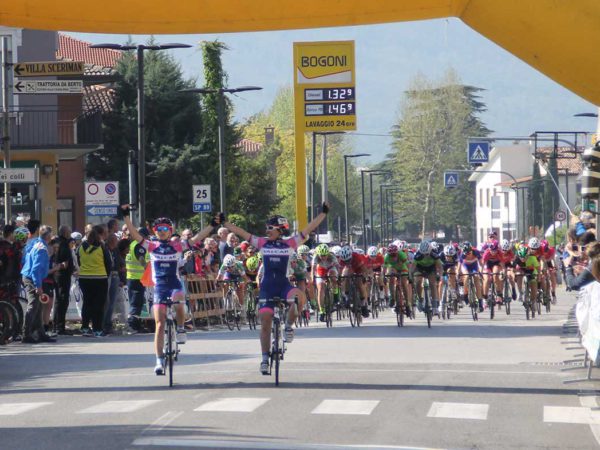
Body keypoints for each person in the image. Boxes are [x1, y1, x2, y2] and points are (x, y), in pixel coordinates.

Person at [221, 203, 329, 375]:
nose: (267, 230)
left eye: (270, 228)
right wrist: (225, 223)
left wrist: (323, 213)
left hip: (283, 285)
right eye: (266, 228)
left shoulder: (290, 243)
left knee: (298, 297)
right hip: (267, 287)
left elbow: (308, 229)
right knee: (265, 321)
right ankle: (264, 359)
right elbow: (242, 232)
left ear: (280, 229)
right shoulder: (262, 243)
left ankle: (288, 326)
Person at [121, 205, 215, 375]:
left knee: (179, 301)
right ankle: (159, 360)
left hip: (174, 284)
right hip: (159, 287)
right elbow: (134, 234)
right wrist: (126, 216)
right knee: (159, 324)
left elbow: (198, 237)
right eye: (159, 229)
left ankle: (181, 328)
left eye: (165, 229)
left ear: (170, 231)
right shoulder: (151, 245)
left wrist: (212, 225)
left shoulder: (178, 245)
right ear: (154, 231)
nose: (162, 232)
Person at [21, 224, 55, 343]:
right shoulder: (42, 249)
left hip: (30, 276)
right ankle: (26, 334)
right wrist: (38, 286)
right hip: (32, 278)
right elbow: (36, 270)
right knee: (33, 306)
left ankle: (40, 333)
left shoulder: (35, 243)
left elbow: (25, 259)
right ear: (48, 236)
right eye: (51, 234)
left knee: (38, 306)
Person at [53, 225, 74, 335]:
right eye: (69, 232)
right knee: (62, 300)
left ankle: (56, 325)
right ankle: (60, 327)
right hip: (63, 276)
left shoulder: (56, 242)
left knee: (58, 300)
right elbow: (65, 263)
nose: (70, 234)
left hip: (57, 275)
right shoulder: (64, 244)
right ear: (65, 233)